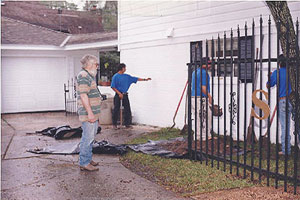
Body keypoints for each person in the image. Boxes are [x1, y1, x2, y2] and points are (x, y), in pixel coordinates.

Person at [77, 55, 101, 171]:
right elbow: (83, 95)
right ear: (90, 65)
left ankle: (87, 158)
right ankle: (84, 163)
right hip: (88, 114)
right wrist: (90, 113)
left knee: (90, 137)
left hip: (92, 113)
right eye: (96, 64)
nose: (97, 66)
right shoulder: (83, 76)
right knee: (88, 137)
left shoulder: (89, 76)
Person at [266, 54, 293, 155]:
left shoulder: (276, 73)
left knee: (285, 127)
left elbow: (269, 85)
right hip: (293, 100)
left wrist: (269, 77)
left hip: (282, 101)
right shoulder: (292, 73)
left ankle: (286, 151)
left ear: (279, 63)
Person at [111, 63, 151, 129]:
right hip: (118, 95)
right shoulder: (115, 76)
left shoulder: (127, 76)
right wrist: (119, 93)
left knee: (127, 109)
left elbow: (135, 78)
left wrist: (145, 79)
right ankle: (114, 124)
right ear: (122, 68)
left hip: (125, 94)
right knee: (116, 109)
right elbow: (113, 86)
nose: (125, 69)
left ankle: (127, 124)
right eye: (125, 68)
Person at [191, 58, 213, 141]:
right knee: (206, 116)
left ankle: (198, 136)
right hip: (201, 98)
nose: (210, 65)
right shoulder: (204, 73)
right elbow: (203, 87)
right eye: (209, 64)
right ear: (205, 64)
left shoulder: (195, 72)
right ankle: (204, 136)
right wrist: (210, 97)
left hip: (194, 97)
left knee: (198, 117)